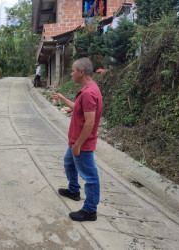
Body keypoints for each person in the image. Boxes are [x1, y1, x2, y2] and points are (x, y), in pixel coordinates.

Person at [52, 57, 103, 222]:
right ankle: (74, 190)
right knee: (69, 163)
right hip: (75, 142)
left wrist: (78, 145)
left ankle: (90, 210)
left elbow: (90, 122)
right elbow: (78, 110)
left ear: (81, 72)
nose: (71, 73)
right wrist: (63, 98)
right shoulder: (87, 89)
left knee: (90, 177)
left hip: (82, 144)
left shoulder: (89, 93)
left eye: (73, 70)